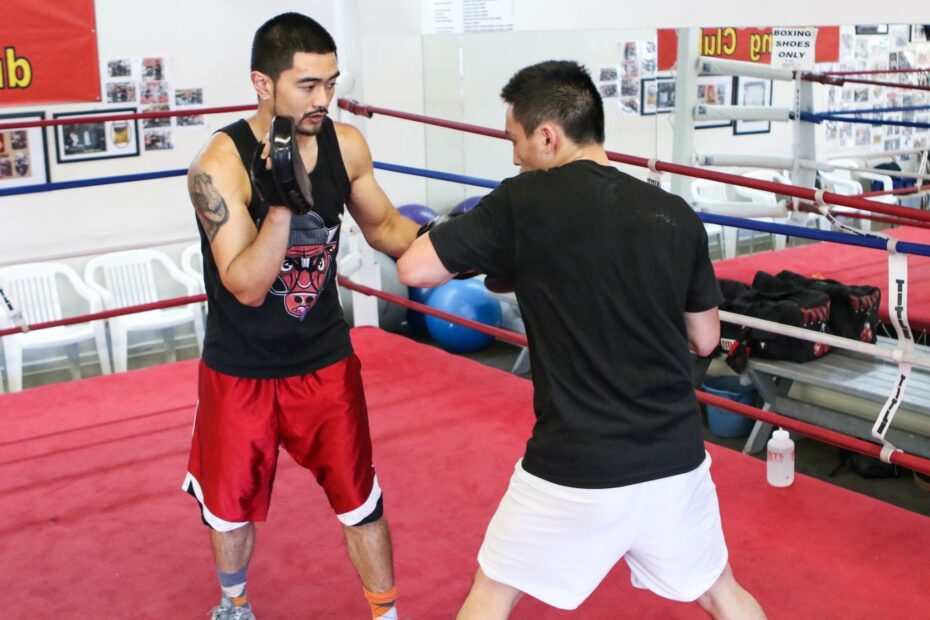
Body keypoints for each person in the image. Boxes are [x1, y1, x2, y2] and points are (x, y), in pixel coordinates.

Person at [397, 60, 766, 619]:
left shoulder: (520, 202)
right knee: (721, 592)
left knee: (493, 591)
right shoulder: (674, 213)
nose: (514, 156)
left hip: (575, 465)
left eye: (515, 141)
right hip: (674, 458)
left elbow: (415, 270)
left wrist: (485, 241)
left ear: (549, 135)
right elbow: (706, 338)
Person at [183, 12, 419, 620]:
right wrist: (283, 205)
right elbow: (245, 285)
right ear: (263, 84)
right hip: (241, 368)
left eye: (331, 83)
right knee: (230, 506)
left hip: (324, 361)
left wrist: (472, 249)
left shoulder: (346, 144)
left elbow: (388, 227)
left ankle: (386, 614)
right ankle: (234, 605)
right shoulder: (219, 165)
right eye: (307, 85)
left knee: (360, 500)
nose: (324, 99)